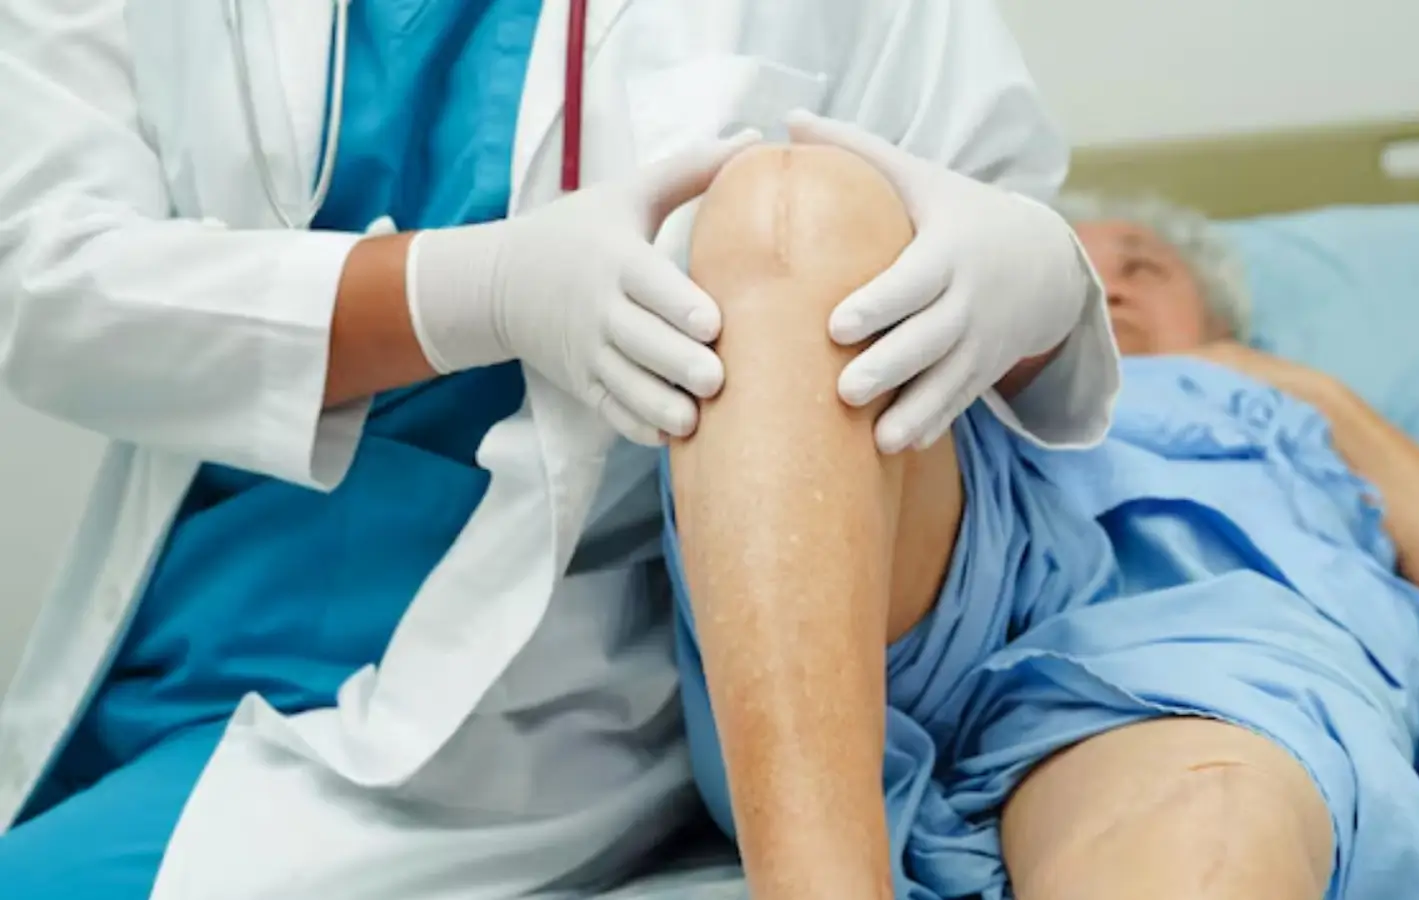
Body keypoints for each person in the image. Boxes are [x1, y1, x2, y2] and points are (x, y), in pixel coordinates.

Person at [0, 2, 1118, 898]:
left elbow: (964, 242)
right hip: (219, 608)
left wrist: (1037, 276)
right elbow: (38, 276)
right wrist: (468, 290)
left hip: (585, 661)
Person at [663, 155, 1419, 899]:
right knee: (801, 204)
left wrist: (1308, 392)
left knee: (1204, 823)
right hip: (948, 555)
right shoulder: (983, 399)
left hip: (1196, 653)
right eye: (1074, 266)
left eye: (1142, 264)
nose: (1104, 288)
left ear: (1220, 307)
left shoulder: (1281, 407)